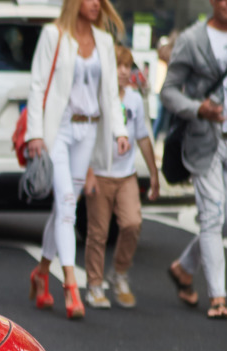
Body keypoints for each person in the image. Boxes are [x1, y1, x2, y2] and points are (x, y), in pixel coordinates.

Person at [23, 0, 129, 320]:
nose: (95, 4)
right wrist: (35, 134)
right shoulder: (53, 35)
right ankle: (71, 284)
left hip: (90, 132)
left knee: (63, 209)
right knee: (68, 203)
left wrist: (120, 131)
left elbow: (110, 92)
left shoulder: (105, 42)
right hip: (60, 131)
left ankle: (41, 273)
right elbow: (37, 84)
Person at [162, 0, 227, 320]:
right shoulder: (192, 39)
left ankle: (184, 268)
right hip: (203, 141)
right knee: (211, 217)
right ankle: (218, 298)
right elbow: (168, 91)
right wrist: (198, 108)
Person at [82, 44, 160, 309]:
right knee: (98, 232)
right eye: (119, 66)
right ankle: (94, 284)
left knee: (132, 224)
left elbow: (143, 137)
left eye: (128, 66)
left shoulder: (135, 99)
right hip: (100, 173)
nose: (125, 71)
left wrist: (154, 174)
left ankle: (119, 272)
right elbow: (85, 138)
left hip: (126, 174)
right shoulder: (94, 97)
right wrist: (88, 172)